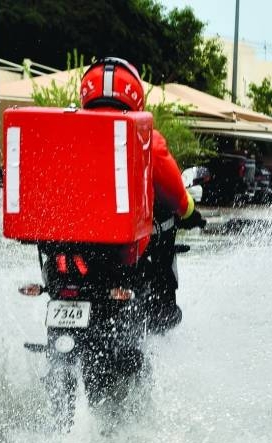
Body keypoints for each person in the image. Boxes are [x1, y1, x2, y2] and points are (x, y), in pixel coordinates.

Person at [79, 57, 206, 331]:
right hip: (123, 249)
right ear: (134, 93)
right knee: (164, 230)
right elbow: (172, 190)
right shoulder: (144, 135)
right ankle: (161, 314)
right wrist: (188, 210)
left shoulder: (67, 130)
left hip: (69, 245)